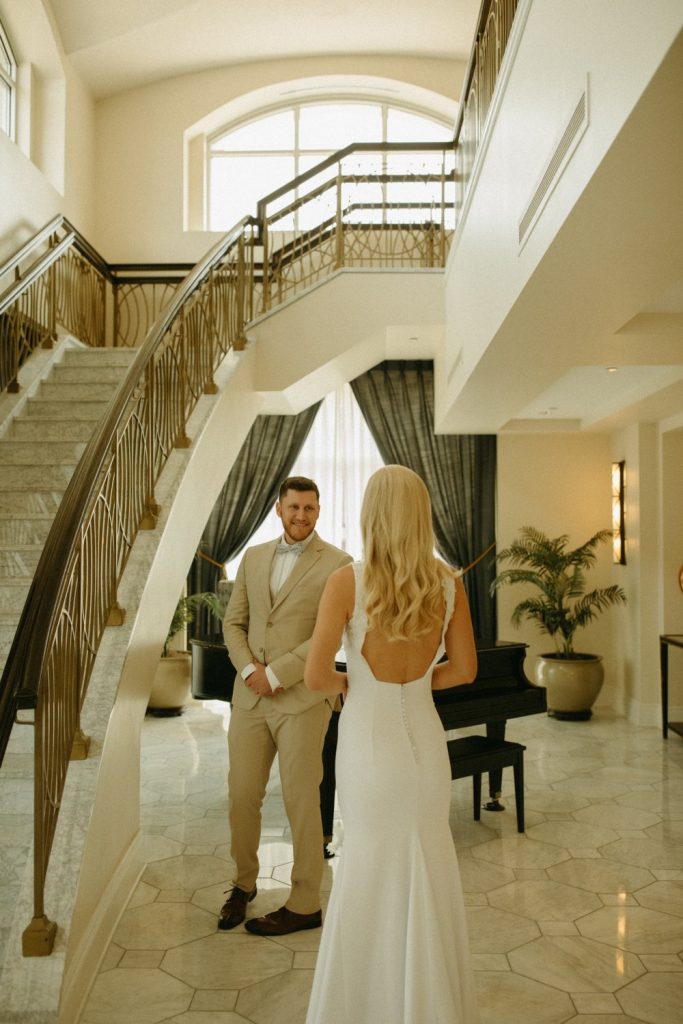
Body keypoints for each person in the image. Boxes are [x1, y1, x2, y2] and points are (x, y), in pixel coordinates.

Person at [303, 465, 480, 1023]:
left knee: (370, 872)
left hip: (369, 746)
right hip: (426, 745)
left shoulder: (348, 581)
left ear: (371, 513)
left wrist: (351, 684)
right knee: (427, 865)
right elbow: (466, 670)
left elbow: (314, 676)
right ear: (422, 513)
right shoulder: (448, 582)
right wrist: (422, 681)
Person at [220, 476, 352, 936]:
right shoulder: (253, 557)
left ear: (319, 511)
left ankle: (305, 900)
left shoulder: (339, 564)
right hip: (248, 699)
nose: (301, 516)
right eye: (294, 507)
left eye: (310, 509)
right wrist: (250, 672)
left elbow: (327, 636)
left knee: (302, 799)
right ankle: (242, 884)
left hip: (303, 698)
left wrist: (277, 674)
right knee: (241, 795)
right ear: (278, 508)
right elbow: (232, 623)